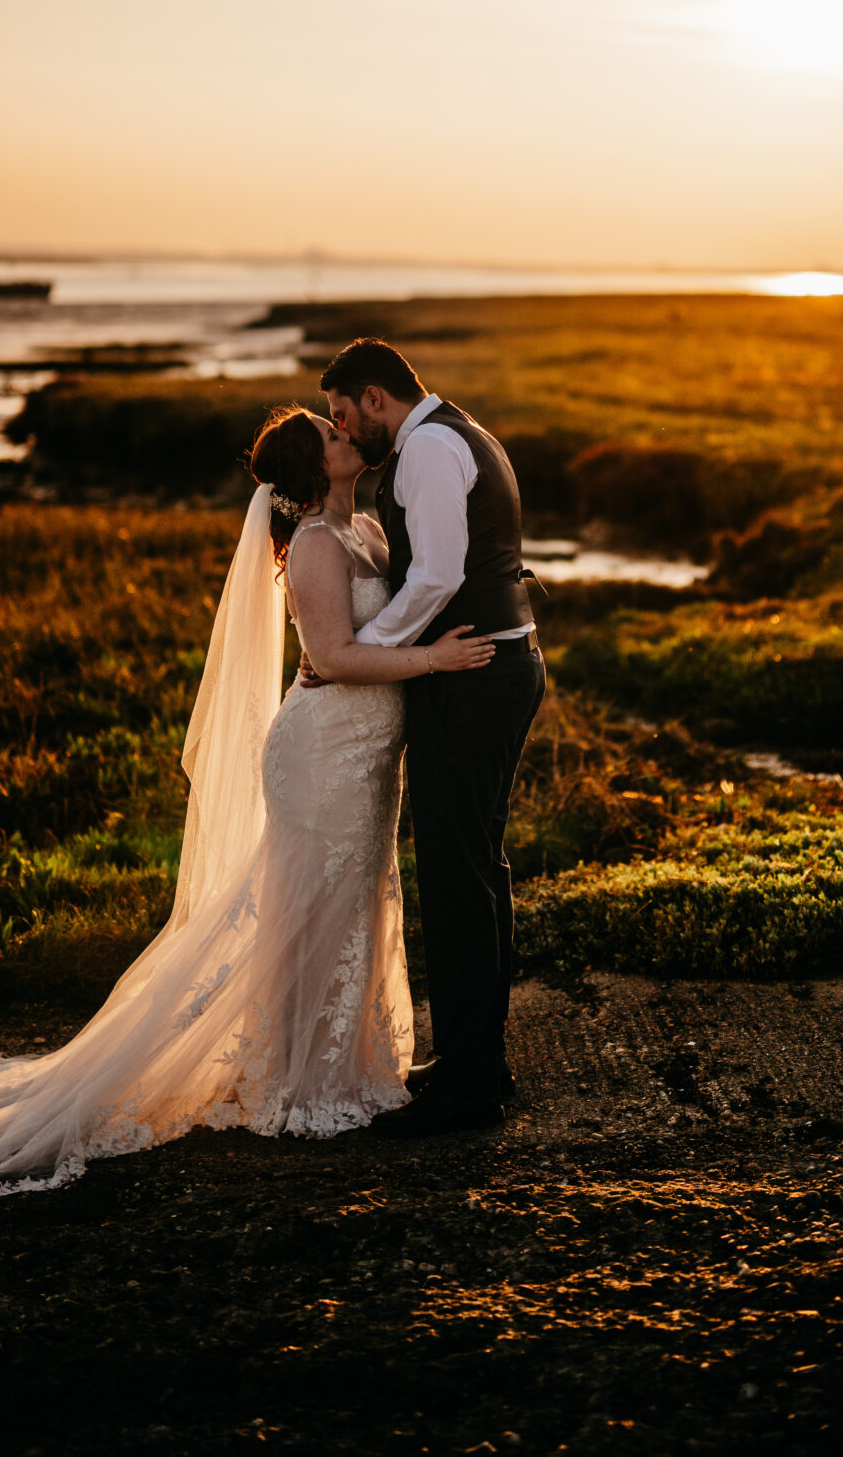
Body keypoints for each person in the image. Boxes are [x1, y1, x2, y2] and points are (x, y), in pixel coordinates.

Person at [0, 406, 493, 1197]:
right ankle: (297, 1082)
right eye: (333, 436)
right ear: (312, 469)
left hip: (369, 755)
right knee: (313, 904)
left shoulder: (368, 526)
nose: (348, 437)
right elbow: (330, 659)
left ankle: (344, 1066)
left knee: (355, 900)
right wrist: (435, 662)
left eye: (343, 429)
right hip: (323, 752)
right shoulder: (310, 544)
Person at [319, 338, 546, 1137]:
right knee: (474, 870)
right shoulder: (458, 432)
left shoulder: (429, 448)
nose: (346, 432)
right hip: (489, 668)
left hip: (474, 678)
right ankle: (474, 1062)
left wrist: (363, 651)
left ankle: (468, 1086)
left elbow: (438, 576)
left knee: (458, 877)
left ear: (376, 399)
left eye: (347, 416)